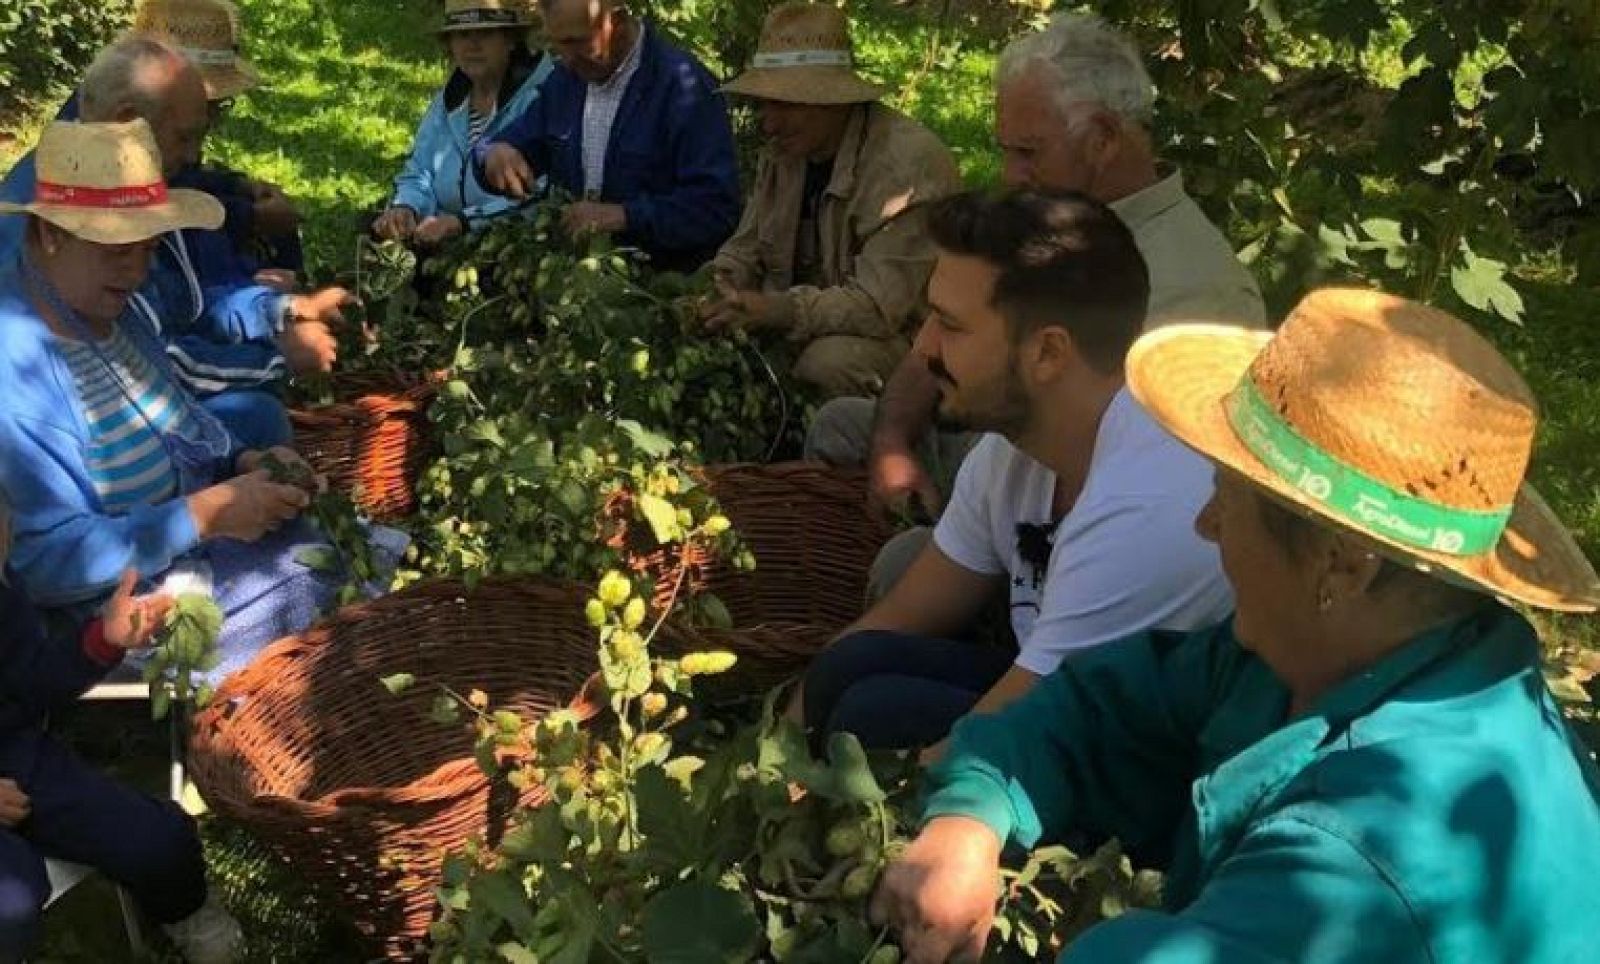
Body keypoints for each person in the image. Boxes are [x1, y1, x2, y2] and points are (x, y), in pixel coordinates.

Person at [872, 287, 1600, 964]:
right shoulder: (1326, 657)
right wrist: (971, 815)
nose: (1205, 522)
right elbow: (1099, 708)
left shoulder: (1371, 854)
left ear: (1341, 566)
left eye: (1227, 500)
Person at [806, 13, 1266, 551]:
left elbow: (1134, 486)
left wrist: (979, 541)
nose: (1009, 173)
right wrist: (891, 444)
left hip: (1078, 522)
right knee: (844, 427)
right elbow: (937, 339)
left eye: (1027, 152)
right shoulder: (1047, 217)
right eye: (1005, 150)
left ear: (1102, 139)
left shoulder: (1198, 289)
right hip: (993, 459)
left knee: (905, 564)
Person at [795, 190, 1232, 753]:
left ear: (1048, 352)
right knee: (850, 665)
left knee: (878, 715)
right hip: (1059, 696)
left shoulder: (1149, 504)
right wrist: (771, 761)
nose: (923, 347)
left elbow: (986, 742)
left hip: (1159, 764)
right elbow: (900, 616)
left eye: (950, 326)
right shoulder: (1012, 452)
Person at [0, 119, 383, 684]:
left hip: (178, 545)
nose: (136, 270)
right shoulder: (19, 372)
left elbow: (173, 415)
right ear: (51, 236)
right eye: (116, 250)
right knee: (318, 591)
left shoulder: (106, 310)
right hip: (107, 612)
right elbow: (46, 567)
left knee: (344, 540)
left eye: (149, 249)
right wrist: (202, 516)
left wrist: (243, 462)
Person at [0, 36, 353, 451]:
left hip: (139, 402)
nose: (194, 156)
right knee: (257, 416)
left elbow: (188, 306)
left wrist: (282, 308)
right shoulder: (75, 218)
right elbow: (153, 362)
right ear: (128, 119)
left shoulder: (126, 178)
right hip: (106, 419)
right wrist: (276, 360)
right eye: (185, 137)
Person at [0, 504, 242, 962]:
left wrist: (101, 640)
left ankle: (186, 913)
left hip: (19, 756)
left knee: (155, 840)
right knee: (10, 903)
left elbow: (28, 683)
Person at [700, 3, 961, 398]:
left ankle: (874, 450)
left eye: (786, 104)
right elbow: (747, 246)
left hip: (914, 342)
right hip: (814, 321)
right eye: (765, 104)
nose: (769, 123)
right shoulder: (786, 152)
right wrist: (719, 288)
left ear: (832, 100)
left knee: (828, 364)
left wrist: (773, 310)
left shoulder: (905, 169)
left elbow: (878, 309)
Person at [477, 0, 740, 271]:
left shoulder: (683, 88)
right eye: (557, 44)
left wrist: (625, 216)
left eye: (576, 42)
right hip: (579, 287)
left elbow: (716, 209)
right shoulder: (565, 84)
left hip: (662, 289)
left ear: (618, 22)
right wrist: (494, 153)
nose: (566, 58)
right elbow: (504, 144)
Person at [372, 0, 554, 248]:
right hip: (437, 245)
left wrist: (463, 222)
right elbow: (419, 169)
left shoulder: (543, 96)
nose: (472, 45)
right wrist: (407, 207)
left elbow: (543, 193)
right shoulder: (449, 99)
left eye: (486, 33)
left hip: (515, 247)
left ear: (511, 40)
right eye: (462, 35)